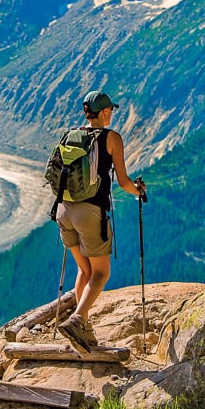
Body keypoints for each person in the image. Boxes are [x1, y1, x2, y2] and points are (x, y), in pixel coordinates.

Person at [56, 91, 146, 351]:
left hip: (64, 210)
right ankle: (78, 319)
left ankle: (80, 325)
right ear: (105, 111)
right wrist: (139, 191)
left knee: (84, 270)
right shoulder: (111, 138)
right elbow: (123, 181)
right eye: (111, 111)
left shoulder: (70, 134)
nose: (112, 114)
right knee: (101, 273)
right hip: (89, 213)